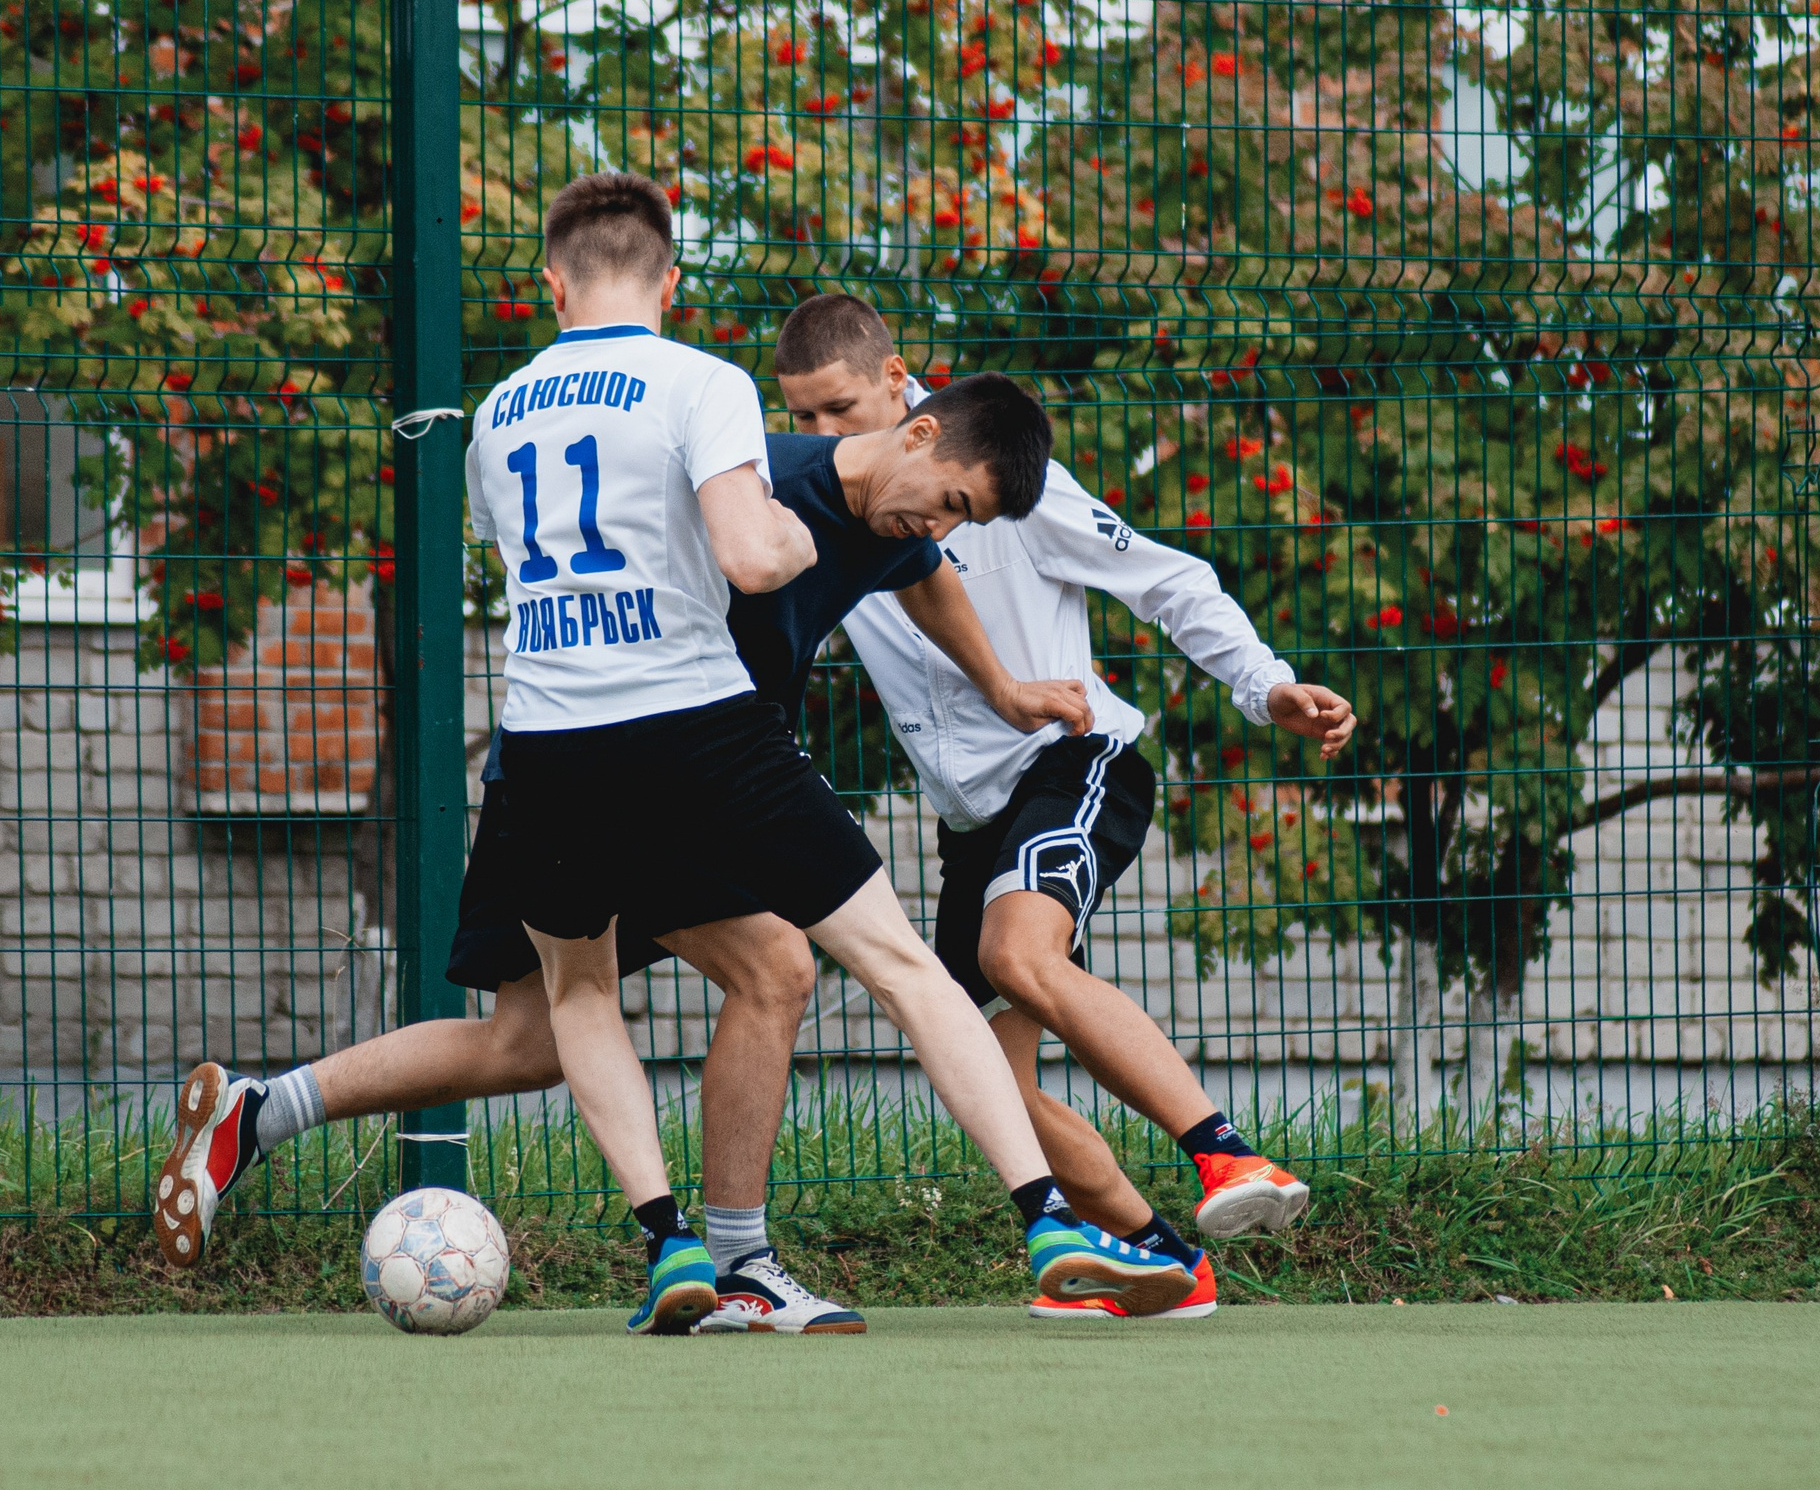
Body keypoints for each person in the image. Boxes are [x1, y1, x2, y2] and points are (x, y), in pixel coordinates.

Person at [154, 173, 1193, 1333]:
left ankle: (666, 1242)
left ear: (551, 284)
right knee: (879, 963)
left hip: (546, 748)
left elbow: (523, 555)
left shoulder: (498, 411)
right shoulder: (707, 383)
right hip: (698, 735)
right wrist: (796, 543)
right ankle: (1030, 1217)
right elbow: (753, 557)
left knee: (574, 1009)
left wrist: (995, 683)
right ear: (672, 282)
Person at [773, 293, 1358, 1319]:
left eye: (836, 409)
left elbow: (1169, 582)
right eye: (800, 417)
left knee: (1016, 958)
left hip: (1073, 758)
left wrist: (1263, 684)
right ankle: (1164, 1262)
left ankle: (1232, 1158)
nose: (819, 437)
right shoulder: (812, 504)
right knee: (995, 1088)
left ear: (900, 388)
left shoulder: (992, 472)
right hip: (972, 819)